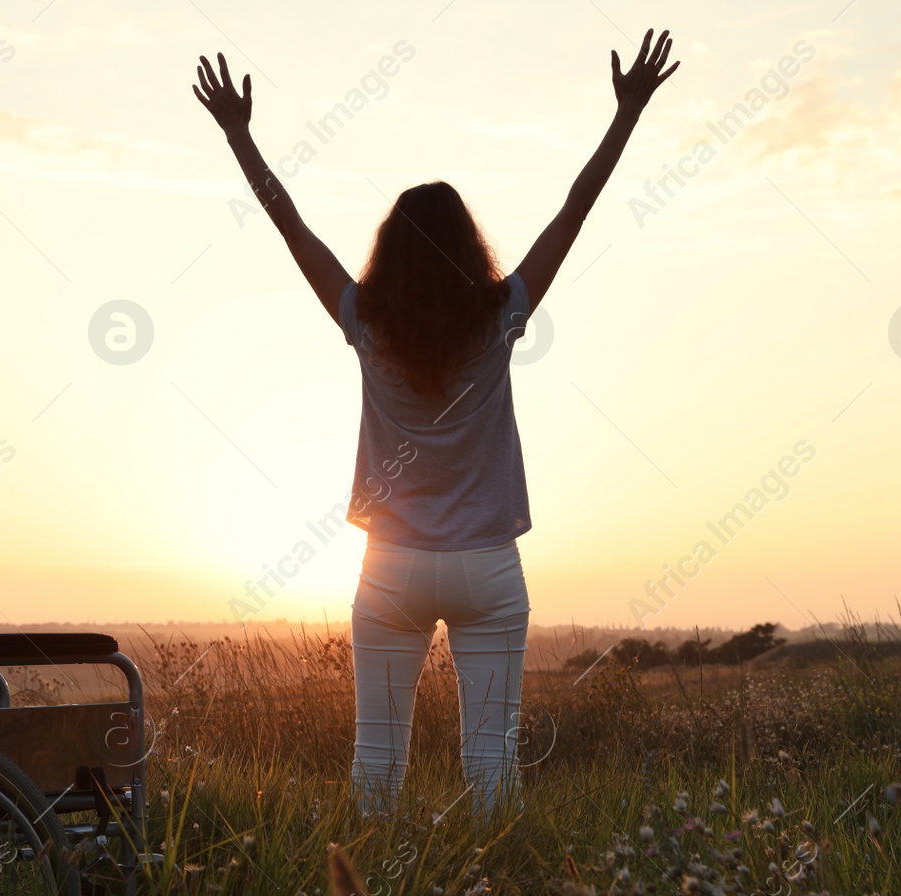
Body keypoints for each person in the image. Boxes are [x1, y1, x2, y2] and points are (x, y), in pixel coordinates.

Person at [193, 30, 679, 816]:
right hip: (487, 563)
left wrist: (240, 137)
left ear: (390, 252)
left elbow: (292, 228)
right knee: (492, 768)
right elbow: (574, 211)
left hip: (391, 567)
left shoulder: (364, 319)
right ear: (467, 250)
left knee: (375, 765)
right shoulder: (501, 316)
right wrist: (626, 116)